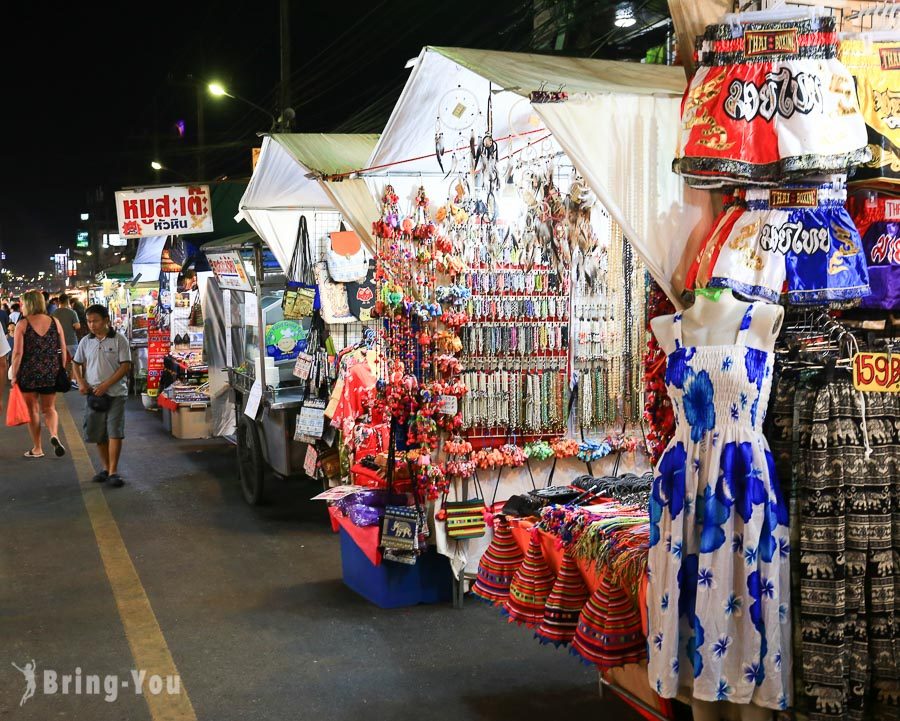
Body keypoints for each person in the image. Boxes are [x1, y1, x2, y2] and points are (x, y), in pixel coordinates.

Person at [73, 304, 131, 488]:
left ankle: (114, 471)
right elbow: (76, 363)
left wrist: (106, 384)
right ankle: (106, 468)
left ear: (106, 320)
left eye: (95, 321)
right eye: (89, 321)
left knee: (114, 431)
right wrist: (81, 382)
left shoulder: (119, 340)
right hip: (94, 395)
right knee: (99, 434)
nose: (92, 325)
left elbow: (125, 366)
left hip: (116, 394)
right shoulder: (85, 341)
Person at [9, 290, 67, 459]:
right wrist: (61, 368)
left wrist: (14, 375)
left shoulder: (23, 324)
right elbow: (62, 348)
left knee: (32, 410)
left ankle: (37, 448)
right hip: (51, 371)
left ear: (28, 304)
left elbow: (18, 353)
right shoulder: (55, 322)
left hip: (29, 373)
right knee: (49, 408)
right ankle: (54, 434)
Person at [52, 294, 81, 378]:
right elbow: (77, 326)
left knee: (61, 361)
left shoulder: (54, 313)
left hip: (59, 342)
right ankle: (74, 379)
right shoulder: (72, 312)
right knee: (75, 361)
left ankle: (62, 378)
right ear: (67, 301)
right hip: (71, 341)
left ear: (59, 301)